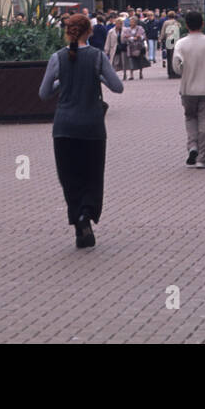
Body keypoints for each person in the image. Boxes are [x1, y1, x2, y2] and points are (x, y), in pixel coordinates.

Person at [40, 14, 123, 248]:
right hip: (92, 127)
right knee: (92, 176)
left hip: (64, 127)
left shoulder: (57, 58)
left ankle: (79, 222)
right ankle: (86, 213)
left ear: (68, 32)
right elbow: (118, 87)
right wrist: (98, 77)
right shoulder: (97, 57)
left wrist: (61, 83)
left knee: (69, 177)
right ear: (89, 32)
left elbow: (44, 92)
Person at [172, 11, 205, 168]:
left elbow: (176, 67)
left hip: (188, 88)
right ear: (202, 24)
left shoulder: (180, 43)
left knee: (190, 118)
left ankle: (193, 146)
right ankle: (202, 158)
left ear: (186, 25)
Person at [105, 16, 130, 80]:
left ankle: (125, 74)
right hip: (114, 48)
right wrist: (106, 51)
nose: (119, 25)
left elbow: (129, 39)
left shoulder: (126, 30)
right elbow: (108, 41)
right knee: (114, 63)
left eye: (121, 23)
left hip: (123, 48)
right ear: (115, 23)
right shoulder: (111, 31)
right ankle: (114, 76)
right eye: (118, 23)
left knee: (124, 62)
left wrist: (127, 39)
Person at [161, 11, 181, 77]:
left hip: (169, 40)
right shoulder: (177, 22)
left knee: (169, 57)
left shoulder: (166, 22)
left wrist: (161, 38)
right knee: (175, 56)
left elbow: (163, 32)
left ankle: (170, 73)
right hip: (176, 40)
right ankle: (176, 72)